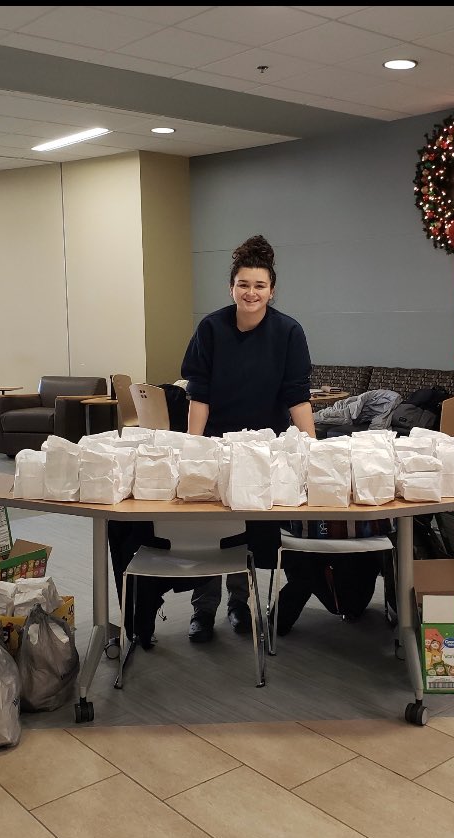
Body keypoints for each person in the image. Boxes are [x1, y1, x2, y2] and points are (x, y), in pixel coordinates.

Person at [179, 234, 316, 642]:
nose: (251, 292)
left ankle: (240, 603)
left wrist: (312, 447)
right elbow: (198, 394)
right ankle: (203, 610)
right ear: (231, 287)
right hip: (218, 445)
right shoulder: (211, 328)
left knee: (247, 530)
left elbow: (297, 395)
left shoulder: (288, 332)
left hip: (265, 451)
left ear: (271, 291)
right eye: (243, 284)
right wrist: (194, 447)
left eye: (259, 286)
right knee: (211, 527)